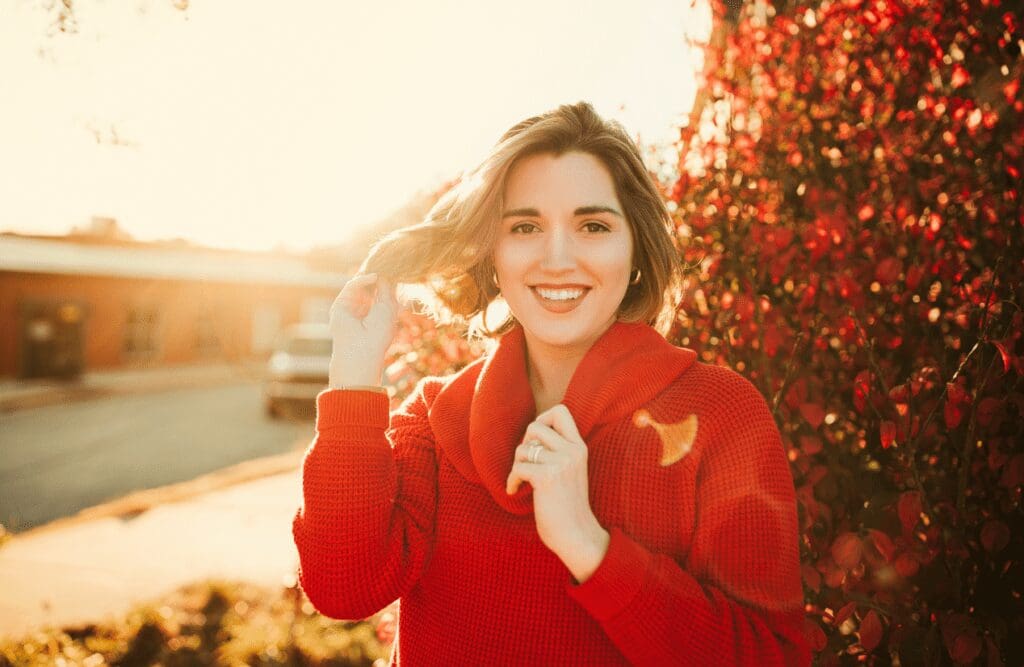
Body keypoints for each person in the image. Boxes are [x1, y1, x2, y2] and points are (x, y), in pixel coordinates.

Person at [292, 101, 810, 666]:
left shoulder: (722, 414)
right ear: (492, 254)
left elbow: (771, 656)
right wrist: (352, 376)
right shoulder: (436, 419)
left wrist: (589, 546)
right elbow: (343, 589)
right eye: (525, 226)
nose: (557, 257)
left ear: (635, 248)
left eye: (593, 225)